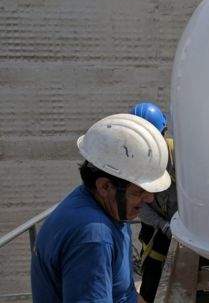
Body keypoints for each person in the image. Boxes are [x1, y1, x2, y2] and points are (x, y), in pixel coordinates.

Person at [31, 113, 171, 303]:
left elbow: (123, 293)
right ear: (105, 186)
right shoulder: (93, 237)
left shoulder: (109, 209)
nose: (149, 198)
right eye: (139, 191)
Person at [130, 102, 178, 303]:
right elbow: (141, 207)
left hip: (183, 225)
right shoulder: (132, 164)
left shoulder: (179, 156)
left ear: (164, 133)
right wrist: (163, 225)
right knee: (151, 278)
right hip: (156, 229)